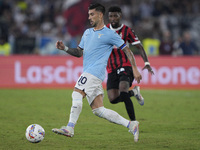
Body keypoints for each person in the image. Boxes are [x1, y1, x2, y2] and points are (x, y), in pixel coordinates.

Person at [52, 3, 142, 142]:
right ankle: (131, 125)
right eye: (88, 14)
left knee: (76, 93)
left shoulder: (110, 34)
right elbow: (79, 52)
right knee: (98, 110)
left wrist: (135, 68)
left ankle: (70, 128)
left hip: (95, 72)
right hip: (90, 72)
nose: (89, 17)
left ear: (100, 15)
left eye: (92, 14)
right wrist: (65, 48)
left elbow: (127, 50)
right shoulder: (87, 33)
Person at [106, 6, 154, 122]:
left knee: (123, 91)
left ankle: (133, 123)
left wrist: (146, 62)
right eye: (111, 16)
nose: (113, 18)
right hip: (111, 68)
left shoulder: (127, 30)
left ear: (120, 16)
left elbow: (139, 47)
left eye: (115, 16)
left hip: (126, 65)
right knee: (113, 99)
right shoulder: (104, 29)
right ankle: (134, 92)